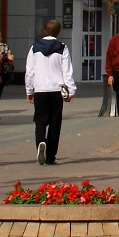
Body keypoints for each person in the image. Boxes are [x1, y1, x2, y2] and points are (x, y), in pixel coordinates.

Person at [25, 19, 76, 165]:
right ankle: (50, 156)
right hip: (56, 90)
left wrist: (29, 90)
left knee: (40, 121)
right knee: (55, 123)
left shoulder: (35, 47)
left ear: (45, 30)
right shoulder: (62, 47)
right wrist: (70, 90)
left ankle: (41, 142)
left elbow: (30, 71)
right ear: (58, 32)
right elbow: (67, 71)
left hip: (40, 89)